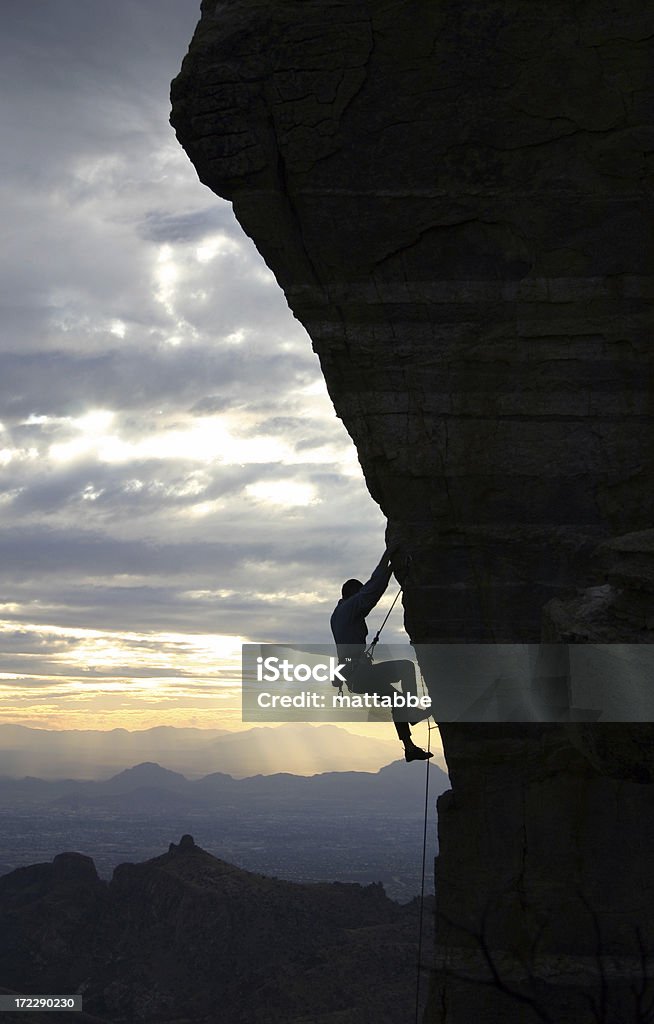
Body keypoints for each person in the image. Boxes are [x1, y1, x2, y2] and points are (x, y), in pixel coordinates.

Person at [330, 547, 433, 762]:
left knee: (396, 699)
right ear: (351, 594)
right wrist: (387, 563)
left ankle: (409, 747)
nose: (361, 598)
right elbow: (370, 591)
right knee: (406, 667)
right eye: (357, 594)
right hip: (359, 672)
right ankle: (412, 711)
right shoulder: (349, 608)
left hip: (355, 675)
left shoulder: (338, 614)